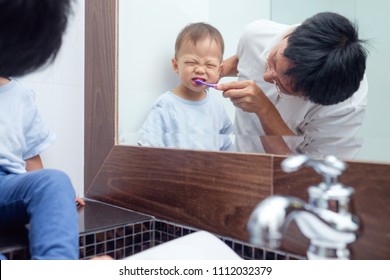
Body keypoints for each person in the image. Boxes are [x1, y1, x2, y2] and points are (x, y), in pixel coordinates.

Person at [217, 12, 368, 159]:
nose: (266, 76)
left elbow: (308, 175)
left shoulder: (344, 107)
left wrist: (265, 110)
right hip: (237, 163)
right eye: (273, 60)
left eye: (282, 86)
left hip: (282, 179)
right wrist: (213, 69)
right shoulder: (256, 35)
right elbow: (243, 60)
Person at [0, 0, 84, 260]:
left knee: (55, 181)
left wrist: (57, 199)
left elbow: (31, 158)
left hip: (8, 186)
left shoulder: (21, 95)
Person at [137, 22, 234, 152]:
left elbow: (228, 149)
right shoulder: (165, 105)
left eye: (209, 65)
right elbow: (146, 148)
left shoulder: (217, 108)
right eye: (191, 62)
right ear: (176, 66)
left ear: (219, 70)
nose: (200, 69)